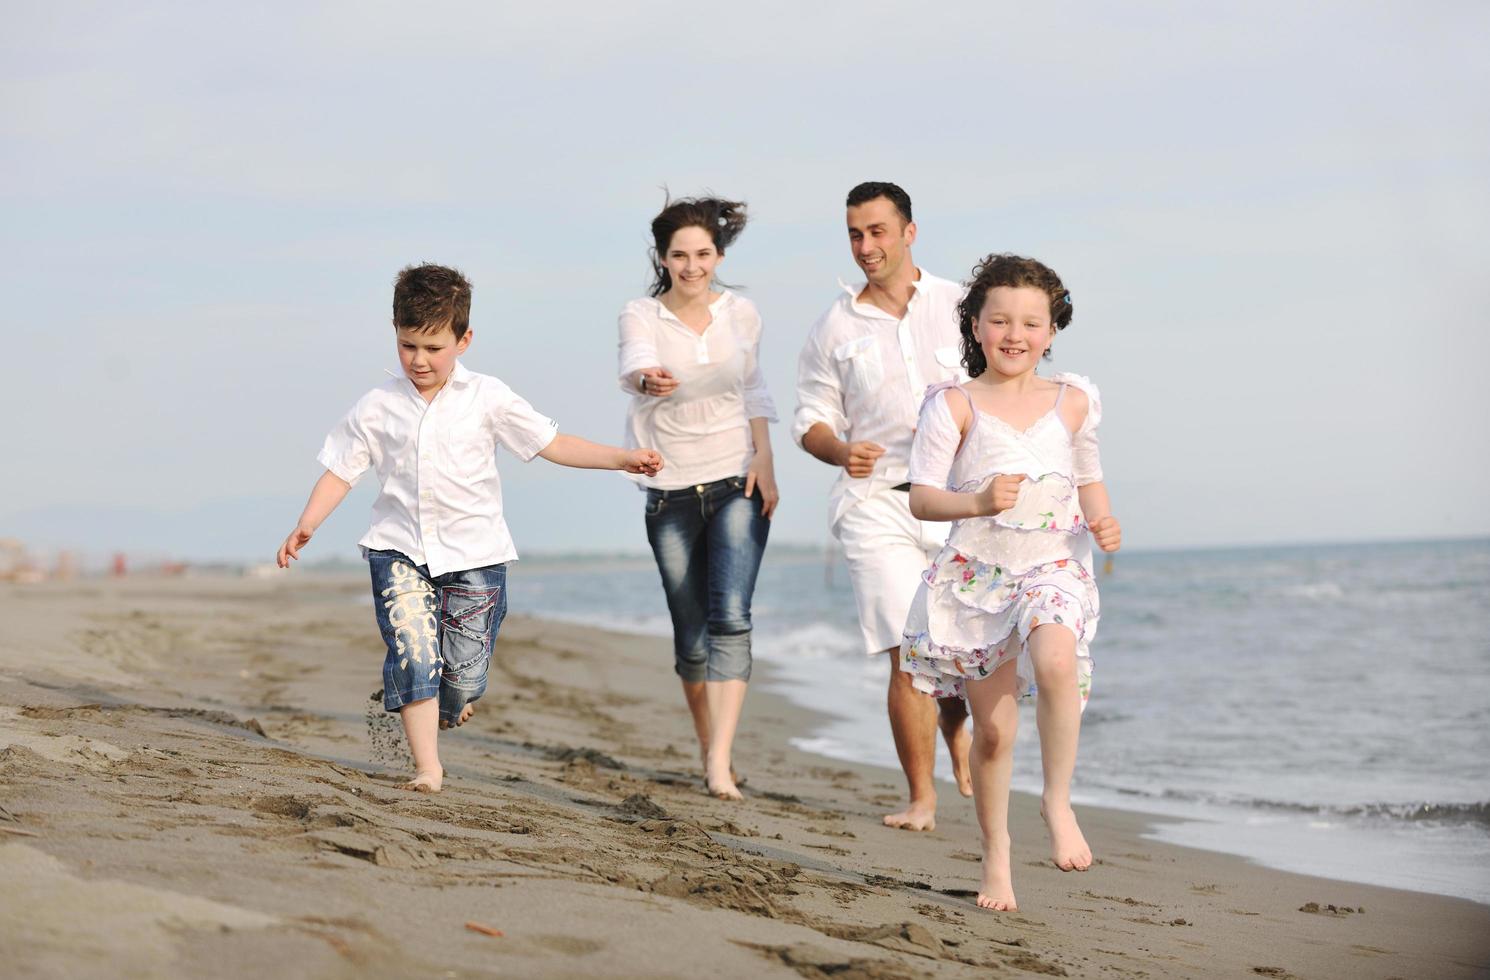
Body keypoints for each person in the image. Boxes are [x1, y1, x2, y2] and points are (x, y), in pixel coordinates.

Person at [276, 263, 662, 794]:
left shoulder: (489, 397)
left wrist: (621, 458)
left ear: (464, 340)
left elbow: (553, 443)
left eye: (433, 348)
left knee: (462, 677)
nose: (419, 360)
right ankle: (427, 768)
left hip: (476, 557)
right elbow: (341, 469)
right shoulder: (376, 407)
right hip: (398, 549)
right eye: (408, 345)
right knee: (413, 650)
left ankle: (452, 700)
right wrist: (308, 523)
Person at [899, 253, 1122, 910]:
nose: (1014, 335)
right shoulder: (954, 405)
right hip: (978, 577)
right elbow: (920, 498)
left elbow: (1088, 478)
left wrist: (1103, 521)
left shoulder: (1074, 400)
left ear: (1052, 330)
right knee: (992, 732)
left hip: (1054, 561)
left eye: (1030, 322)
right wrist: (977, 502)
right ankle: (996, 852)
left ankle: (1057, 803)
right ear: (974, 326)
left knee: (1055, 656)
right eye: (999, 321)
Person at [793, 181, 973, 830]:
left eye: (877, 232)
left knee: (961, 643)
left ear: (909, 232)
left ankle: (956, 721)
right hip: (875, 502)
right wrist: (840, 450)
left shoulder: (960, 304)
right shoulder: (834, 327)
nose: (865, 246)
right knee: (908, 644)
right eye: (854, 234)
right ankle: (922, 799)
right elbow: (809, 419)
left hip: (960, 502)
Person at [618, 196, 778, 801]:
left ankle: (719, 762)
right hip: (669, 488)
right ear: (663, 258)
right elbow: (633, 363)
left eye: (703, 254)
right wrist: (646, 380)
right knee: (691, 636)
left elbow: (755, 388)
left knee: (731, 617)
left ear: (718, 255)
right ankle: (707, 742)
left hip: (737, 476)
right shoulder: (641, 315)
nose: (692, 266)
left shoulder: (743, 314)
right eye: (680, 255)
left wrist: (765, 458)